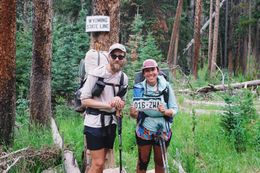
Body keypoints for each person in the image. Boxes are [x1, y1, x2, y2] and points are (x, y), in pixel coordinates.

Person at [80, 43, 128, 173]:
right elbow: (84, 100)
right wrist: (107, 105)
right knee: (98, 163)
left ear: (124, 59)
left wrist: (119, 102)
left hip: (110, 123)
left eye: (120, 56)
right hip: (94, 122)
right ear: (109, 57)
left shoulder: (124, 78)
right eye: (114, 56)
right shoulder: (96, 74)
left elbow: (122, 100)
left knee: (102, 162)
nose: (117, 59)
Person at [130, 59, 178, 173]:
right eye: (147, 71)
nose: (150, 73)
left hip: (163, 129)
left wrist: (165, 111)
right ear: (143, 73)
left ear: (158, 70)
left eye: (153, 70)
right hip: (144, 128)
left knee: (160, 161)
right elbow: (134, 113)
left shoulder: (166, 87)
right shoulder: (139, 88)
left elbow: (175, 109)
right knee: (142, 161)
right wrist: (133, 113)